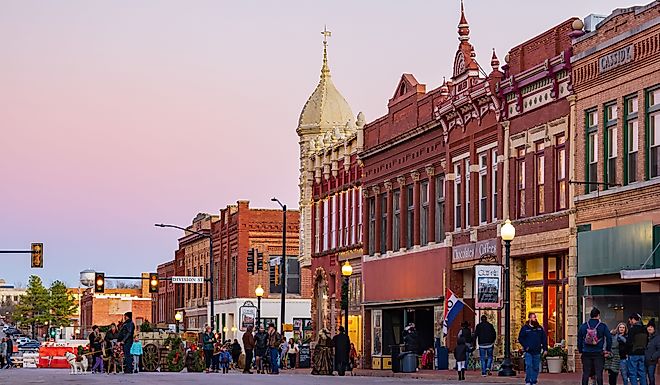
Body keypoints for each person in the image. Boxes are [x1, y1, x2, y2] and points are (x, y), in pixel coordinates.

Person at [578, 307, 612, 385]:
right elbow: (609, 338)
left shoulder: (584, 326)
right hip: (598, 353)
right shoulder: (602, 326)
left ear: (590, 315)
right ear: (598, 315)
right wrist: (608, 349)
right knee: (599, 373)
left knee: (586, 373)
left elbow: (579, 339)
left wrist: (580, 350)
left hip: (586, 352)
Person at [518, 312, 548, 385]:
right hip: (528, 351)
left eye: (535, 317)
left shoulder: (539, 328)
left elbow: (544, 339)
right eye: (533, 317)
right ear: (530, 318)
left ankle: (534, 381)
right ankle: (528, 381)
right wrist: (526, 346)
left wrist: (545, 349)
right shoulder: (525, 328)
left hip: (537, 351)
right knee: (528, 365)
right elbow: (520, 338)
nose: (535, 318)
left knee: (536, 367)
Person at [627, 313, 648, 385]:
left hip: (633, 354)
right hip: (642, 353)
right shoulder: (645, 329)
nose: (629, 322)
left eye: (630, 320)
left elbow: (629, 342)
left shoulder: (632, 329)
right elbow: (647, 341)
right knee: (642, 372)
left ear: (633, 319)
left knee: (633, 373)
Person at [646, 320, 660, 385]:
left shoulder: (657, 338)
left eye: (651, 327)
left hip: (651, 361)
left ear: (654, 328)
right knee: (643, 377)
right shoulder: (645, 336)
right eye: (648, 327)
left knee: (651, 377)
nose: (649, 328)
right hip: (643, 360)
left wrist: (653, 357)